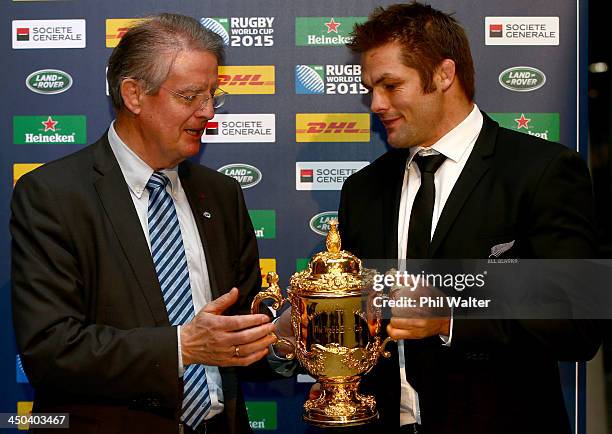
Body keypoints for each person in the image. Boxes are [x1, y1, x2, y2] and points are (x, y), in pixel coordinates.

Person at [337, 3, 601, 434]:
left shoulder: (541, 170)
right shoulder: (363, 188)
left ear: (444, 74)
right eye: (370, 88)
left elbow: (579, 321)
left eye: (390, 85)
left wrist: (449, 320)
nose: (376, 103)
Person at [11, 14, 281, 434]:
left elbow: (237, 329)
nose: (207, 112)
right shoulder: (53, 195)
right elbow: (50, 350)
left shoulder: (222, 194)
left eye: (212, 95)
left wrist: (279, 342)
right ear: (134, 94)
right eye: (190, 96)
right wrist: (181, 347)